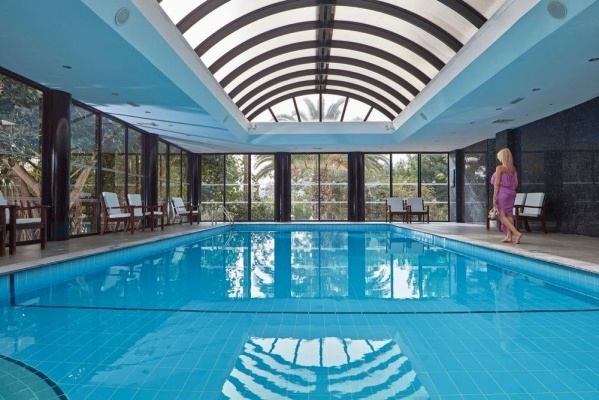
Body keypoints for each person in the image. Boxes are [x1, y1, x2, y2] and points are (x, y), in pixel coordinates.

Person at [490, 148, 523, 244]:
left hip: (503, 193)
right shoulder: (513, 169)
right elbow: (516, 184)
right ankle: (509, 237)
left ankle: (516, 233)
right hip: (512, 193)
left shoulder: (500, 168)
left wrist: (494, 196)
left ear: (502, 157)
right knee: (509, 214)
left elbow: (497, 184)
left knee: (501, 214)